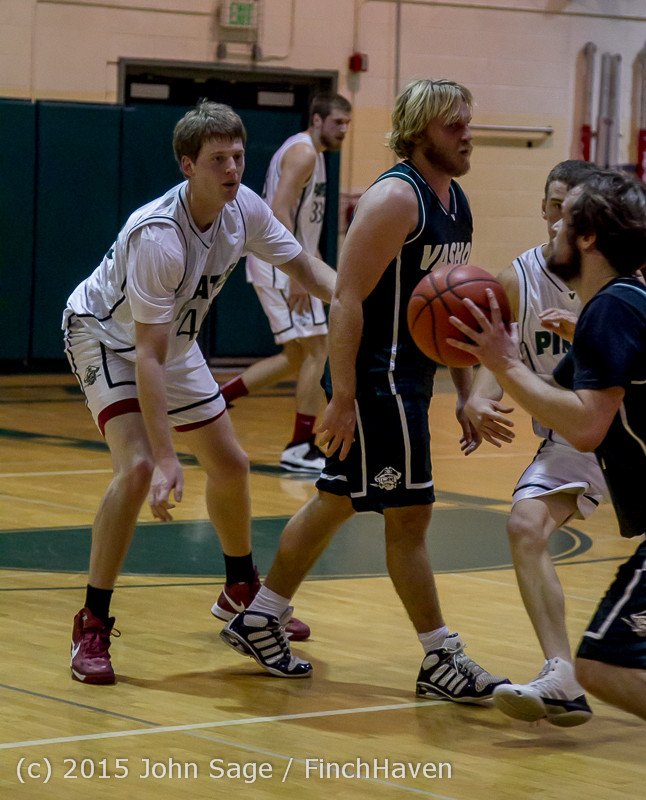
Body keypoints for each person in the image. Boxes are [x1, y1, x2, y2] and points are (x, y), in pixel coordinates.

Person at [219, 78, 510, 701]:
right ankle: (440, 657)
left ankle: (262, 615)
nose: (467, 134)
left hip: (412, 378)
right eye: (454, 124)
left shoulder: (456, 201)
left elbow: (454, 311)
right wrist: (343, 395)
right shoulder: (395, 200)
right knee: (410, 517)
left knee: (334, 499)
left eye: (467, 121)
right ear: (421, 130)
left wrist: (464, 390)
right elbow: (347, 299)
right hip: (381, 382)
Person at [450, 169, 646, 758]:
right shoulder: (613, 309)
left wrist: (502, 361)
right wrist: (497, 380)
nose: (556, 226)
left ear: (590, 235)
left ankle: (566, 678)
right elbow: (565, 397)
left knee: (602, 664)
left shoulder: (615, 307)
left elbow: (584, 424)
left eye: (567, 217)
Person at [63, 100, 337, 684]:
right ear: (188, 165)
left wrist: (364, 299)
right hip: (106, 336)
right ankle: (92, 621)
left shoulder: (245, 209)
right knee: (137, 470)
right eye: (218, 159)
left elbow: (307, 269)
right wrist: (166, 457)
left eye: (238, 156)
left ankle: (241, 589)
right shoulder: (158, 236)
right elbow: (148, 357)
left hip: (168, 339)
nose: (232, 168)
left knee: (231, 464)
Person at [464, 160, 605, 727]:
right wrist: (477, 396)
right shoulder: (517, 278)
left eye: (573, 208)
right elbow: (493, 348)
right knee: (525, 525)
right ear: (545, 211)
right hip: (573, 437)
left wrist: (589, 338)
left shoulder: (618, 280)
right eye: (554, 205)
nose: (560, 218)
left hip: (636, 439)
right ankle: (562, 676)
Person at [220, 93, 352, 473]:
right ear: (316, 119)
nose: (343, 130)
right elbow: (279, 209)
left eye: (347, 123)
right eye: (337, 122)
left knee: (297, 356)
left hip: (283, 261)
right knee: (318, 351)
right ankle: (300, 445)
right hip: (281, 263)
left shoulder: (313, 153)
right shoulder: (304, 152)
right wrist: (298, 272)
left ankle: (216, 399)